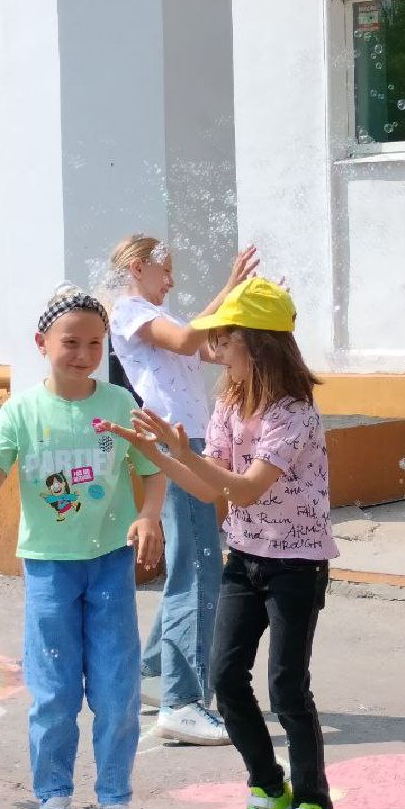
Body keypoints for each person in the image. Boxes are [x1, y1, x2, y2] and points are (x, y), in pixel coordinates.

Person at [101, 277, 343, 809]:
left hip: (297, 565)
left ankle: (316, 805)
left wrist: (184, 455)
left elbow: (250, 488)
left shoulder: (294, 414)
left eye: (223, 340)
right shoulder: (231, 401)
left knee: (287, 685)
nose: (212, 349)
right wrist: (161, 454)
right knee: (226, 677)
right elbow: (210, 486)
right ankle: (268, 787)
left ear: (254, 343)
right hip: (247, 558)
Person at [0, 284, 166, 809]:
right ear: (42, 344)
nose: (82, 354)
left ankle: (115, 803)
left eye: (94, 344)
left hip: (110, 566)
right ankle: (52, 803)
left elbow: (153, 467)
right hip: (50, 569)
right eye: (70, 342)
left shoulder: (119, 405)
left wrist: (149, 517)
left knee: (117, 686)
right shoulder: (22, 412)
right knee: (54, 692)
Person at [105, 235, 260, 747]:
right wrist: (229, 287)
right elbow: (190, 339)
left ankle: (154, 676)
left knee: (194, 563)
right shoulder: (130, 310)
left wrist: (251, 315)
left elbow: (207, 344)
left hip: (187, 441)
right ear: (137, 266)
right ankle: (182, 701)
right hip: (173, 440)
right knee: (196, 570)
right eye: (164, 270)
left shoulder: (160, 318)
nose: (170, 281)